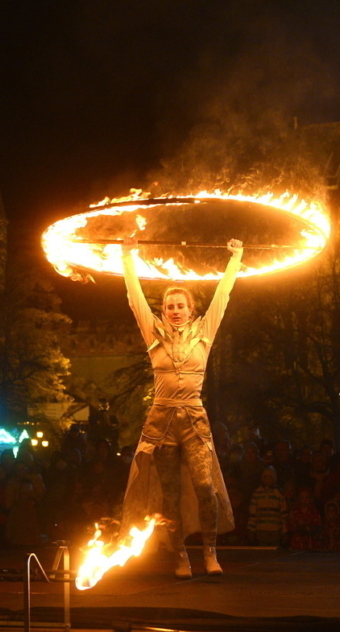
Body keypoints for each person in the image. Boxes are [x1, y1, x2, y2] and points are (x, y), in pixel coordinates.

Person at [119, 237, 243, 578]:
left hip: (193, 418)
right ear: (162, 311)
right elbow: (134, 299)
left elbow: (224, 296)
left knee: (205, 486)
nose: (174, 310)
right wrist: (127, 257)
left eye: (180, 305)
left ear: (191, 310)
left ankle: (210, 552)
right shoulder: (153, 334)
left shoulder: (204, 333)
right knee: (170, 494)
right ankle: (179, 557)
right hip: (161, 421)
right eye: (169, 306)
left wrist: (236, 258)